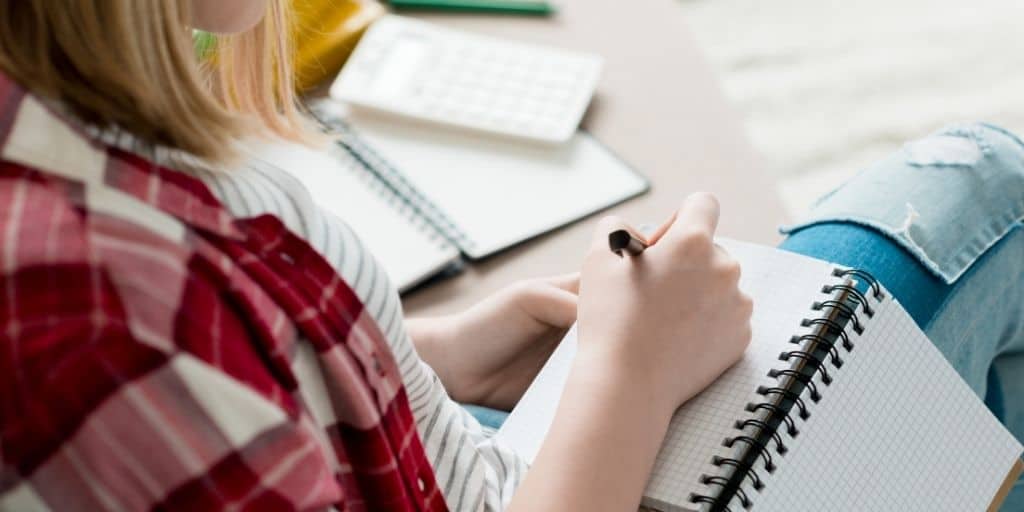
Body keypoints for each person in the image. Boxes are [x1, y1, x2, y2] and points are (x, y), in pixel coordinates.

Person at [0, 2, 1019, 511]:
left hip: (472, 456)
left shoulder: (70, 122)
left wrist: (431, 351)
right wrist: (629, 374)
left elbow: (242, 366)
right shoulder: (85, 317)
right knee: (988, 195)